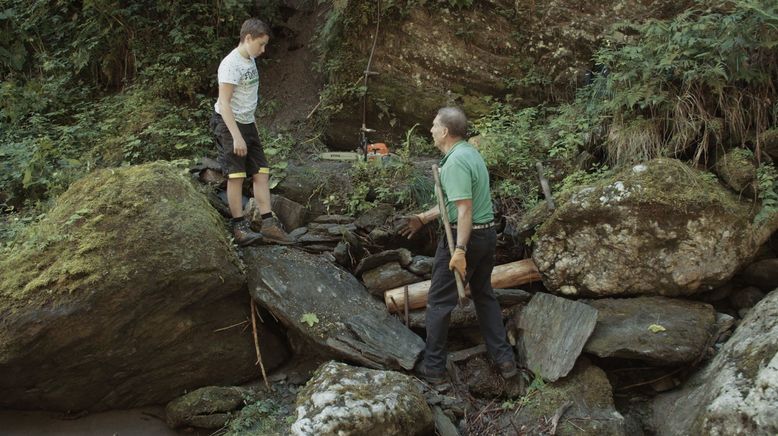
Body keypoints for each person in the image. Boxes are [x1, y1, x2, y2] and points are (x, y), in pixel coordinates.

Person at [400, 106, 517, 384]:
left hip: (465, 237)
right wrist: (423, 217)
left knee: (439, 302)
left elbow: (464, 210)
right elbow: (456, 201)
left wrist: (460, 250)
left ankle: (434, 369)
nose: (430, 130)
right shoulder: (470, 153)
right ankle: (505, 360)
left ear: (444, 131)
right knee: (484, 294)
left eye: (433, 125)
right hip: (485, 235)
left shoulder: (454, 163)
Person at [210, 18, 291, 246]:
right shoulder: (230, 64)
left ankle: (268, 225)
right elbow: (224, 103)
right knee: (236, 176)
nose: (263, 50)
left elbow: (247, 99)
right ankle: (239, 227)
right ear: (248, 38)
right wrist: (236, 136)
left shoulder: (250, 60)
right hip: (228, 123)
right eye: (261, 44)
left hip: (247, 123)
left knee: (261, 172)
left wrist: (252, 129)